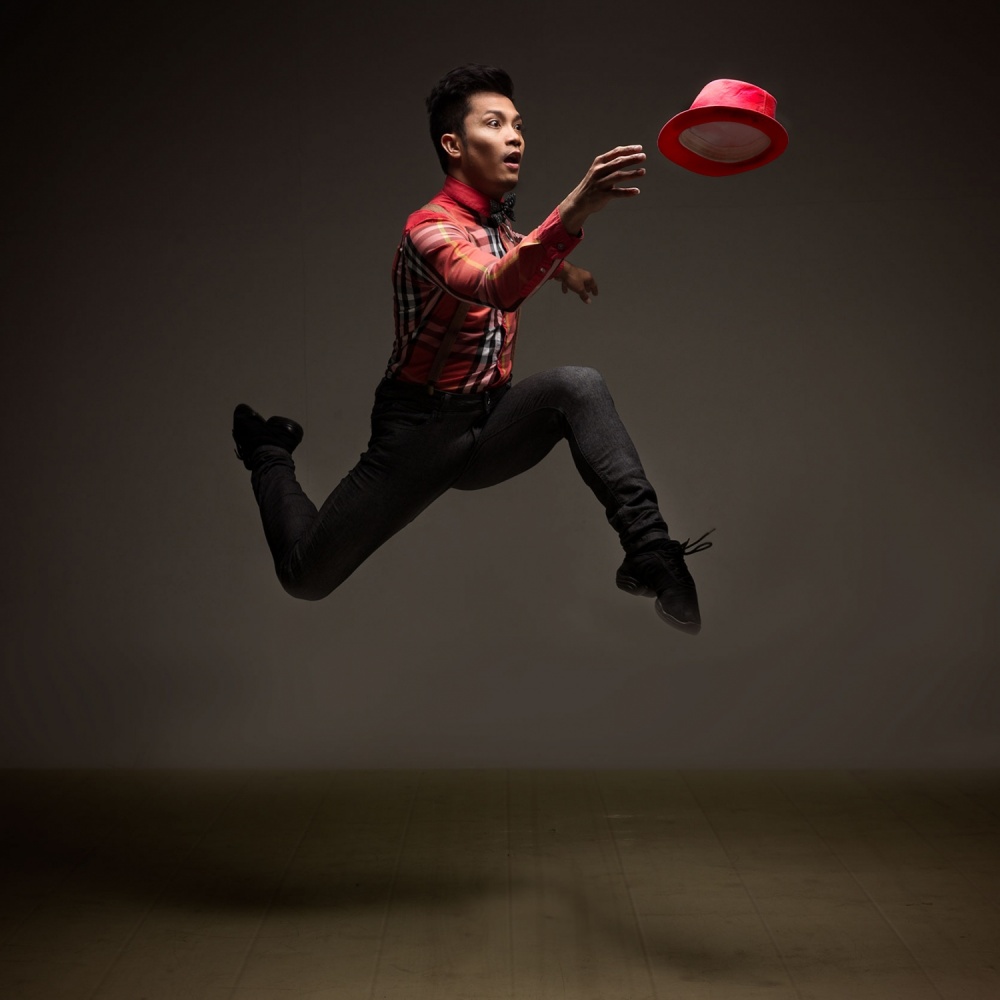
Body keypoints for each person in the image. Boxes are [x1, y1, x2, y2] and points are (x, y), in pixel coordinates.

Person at [232, 64, 712, 633]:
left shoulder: (500, 227)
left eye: (518, 125)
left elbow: (515, 248)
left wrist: (568, 272)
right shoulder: (427, 230)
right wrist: (574, 211)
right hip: (420, 434)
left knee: (579, 385)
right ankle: (268, 450)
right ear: (453, 144)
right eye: (494, 124)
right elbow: (493, 282)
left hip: (492, 421)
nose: (515, 138)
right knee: (305, 578)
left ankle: (652, 553)